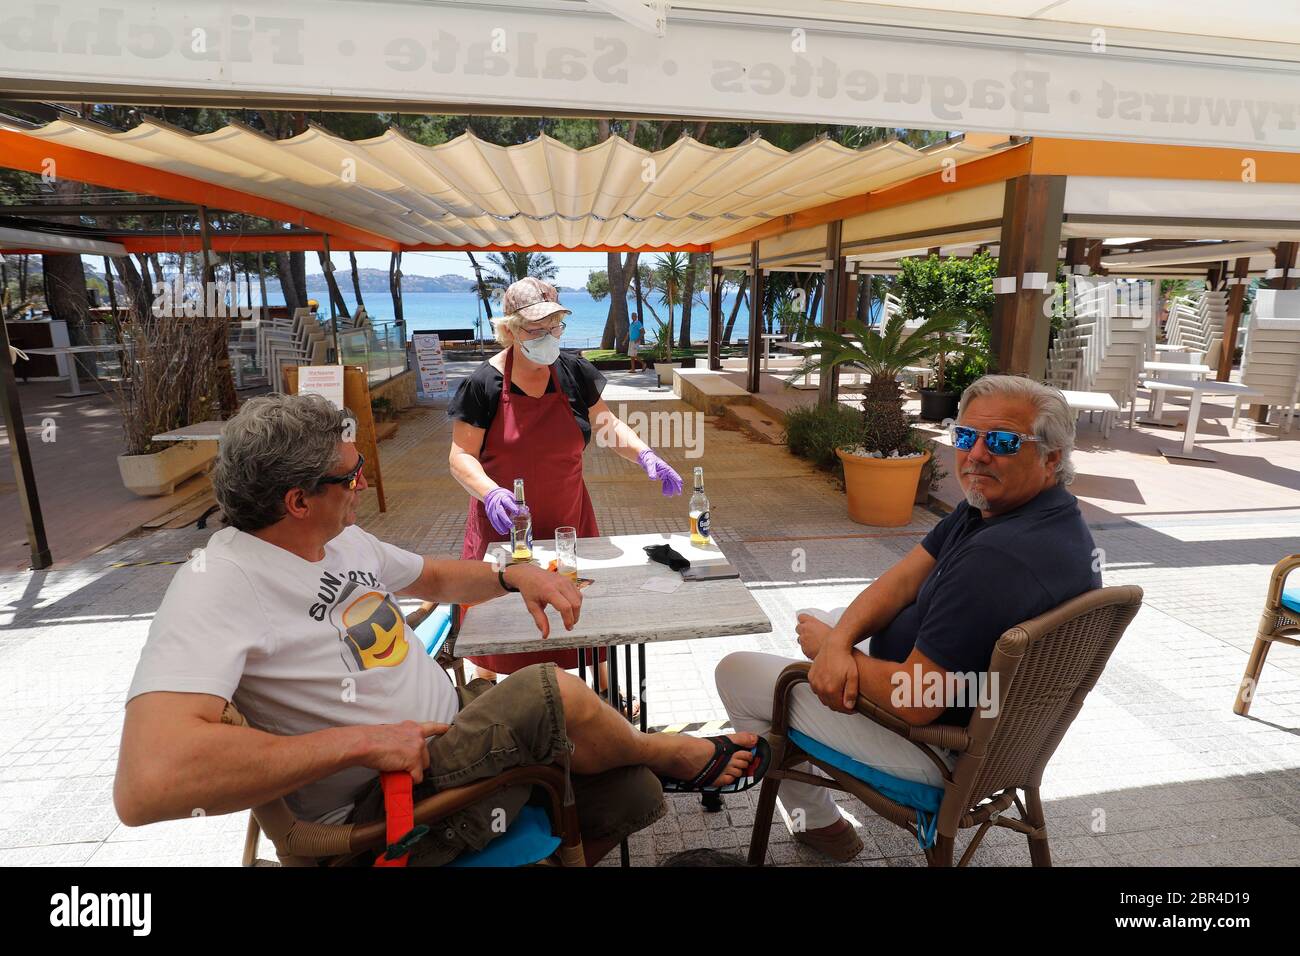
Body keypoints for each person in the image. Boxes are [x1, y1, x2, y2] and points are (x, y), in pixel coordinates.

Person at [114, 393, 768, 866]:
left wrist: (516, 577)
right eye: (351, 475)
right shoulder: (217, 582)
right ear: (298, 500)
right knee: (554, 690)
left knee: (633, 793)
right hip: (385, 796)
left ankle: (655, 763)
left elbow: (435, 578)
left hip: (453, 732)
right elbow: (148, 784)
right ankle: (677, 752)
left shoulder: (344, 540)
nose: (365, 482)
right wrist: (364, 742)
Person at [714, 375, 1101, 862]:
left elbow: (918, 700)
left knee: (736, 670)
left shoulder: (999, 559)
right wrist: (837, 646)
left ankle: (818, 820)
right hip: (996, 730)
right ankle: (823, 701)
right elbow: (900, 581)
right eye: (965, 436)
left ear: (1051, 457)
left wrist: (833, 655)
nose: (975, 455)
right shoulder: (1017, 511)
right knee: (822, 621)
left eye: (1002, 441)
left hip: (933, 751)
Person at [448, 278, 683, 707]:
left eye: (554, 326)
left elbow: (607, 425)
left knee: (583, 613)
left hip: (568, 524)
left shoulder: (574, 372)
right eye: (536, 329)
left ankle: (610, 695)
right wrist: (491, 493)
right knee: (496, 626)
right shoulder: (482, 385)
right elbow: (460, 456)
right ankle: (486, 701)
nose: (547, 337)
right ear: (510, 330)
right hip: (504, 531)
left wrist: (646, 454)